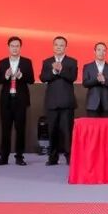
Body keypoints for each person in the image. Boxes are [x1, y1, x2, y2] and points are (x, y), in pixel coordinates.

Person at [0, 36, 35, 166]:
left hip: (21, 100)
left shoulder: (26, 62)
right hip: (6, 101)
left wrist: (21, 76)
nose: (15, 48)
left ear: (20, 47)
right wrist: (6, 76)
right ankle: (4, 157)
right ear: (8, 47)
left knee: (20, 129)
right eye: (12, 46)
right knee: (5, 130)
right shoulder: (2, 63)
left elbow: (31, 80)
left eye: (17, 46)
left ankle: (19, 157)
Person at [39, 35, 78, 166]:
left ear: (65, 47)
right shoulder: (47, 61)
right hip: (51, 102)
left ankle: (69, 157)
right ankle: (52, 157)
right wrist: (54, 72)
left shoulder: (72, 62)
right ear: (53, 46)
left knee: (67, 132)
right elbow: (43, 77)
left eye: (61, 45)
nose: (58, 47)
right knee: (52, 131)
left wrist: (61, 70)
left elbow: (72, 77)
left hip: (67, 102)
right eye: (56, 45)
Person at [81, 42, 108, 117]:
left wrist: (104, 81)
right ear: (94, 51)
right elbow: (85, 83)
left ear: (106, 52)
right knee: (92, 124)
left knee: (107, 124)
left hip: (107, 104)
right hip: (92, 104)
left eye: (104, 50)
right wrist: (97, 80)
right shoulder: (87, 67)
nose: (101, 52)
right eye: (99, 50)